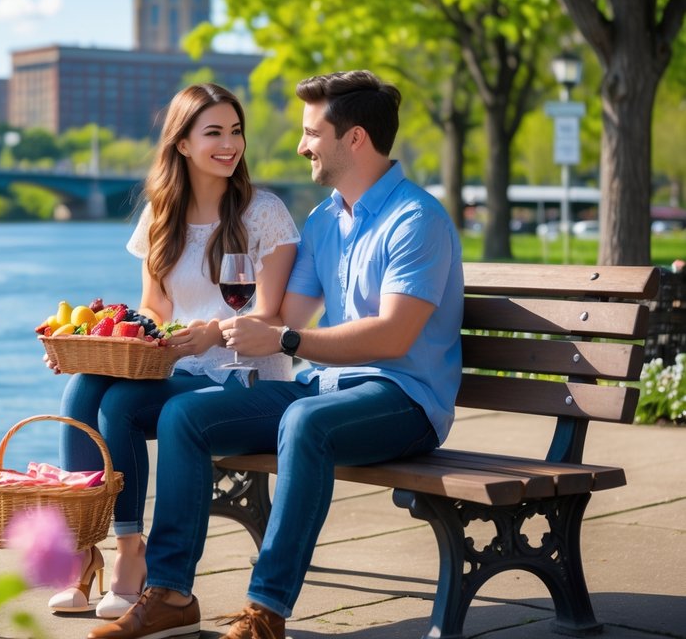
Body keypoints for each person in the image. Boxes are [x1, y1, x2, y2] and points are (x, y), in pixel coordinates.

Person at [89, 69, 464, 639]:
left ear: (354, 138)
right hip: (328, 386)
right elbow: (283, 315)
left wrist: (286, 342)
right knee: (183, 414)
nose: (300, 145)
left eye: (312, 132)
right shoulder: (323, 220)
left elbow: (391, 338)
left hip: (404, 399)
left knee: (304, 420)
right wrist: (217, 331)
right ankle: (169, 592)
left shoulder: (417, 220)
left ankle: (266, 611)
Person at [46, 83, 300, 619]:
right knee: (82, 387)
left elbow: (274, 315)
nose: (229, 144)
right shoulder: (160, 216)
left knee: (120, 406)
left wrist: (214, 331)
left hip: (246, 377)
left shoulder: (265, 213)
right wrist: (86, 349)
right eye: (214, 133)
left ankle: (129, 560)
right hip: (179, 368)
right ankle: (84, 549)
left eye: (236, 132)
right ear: (182, 144)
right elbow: (154, 313)